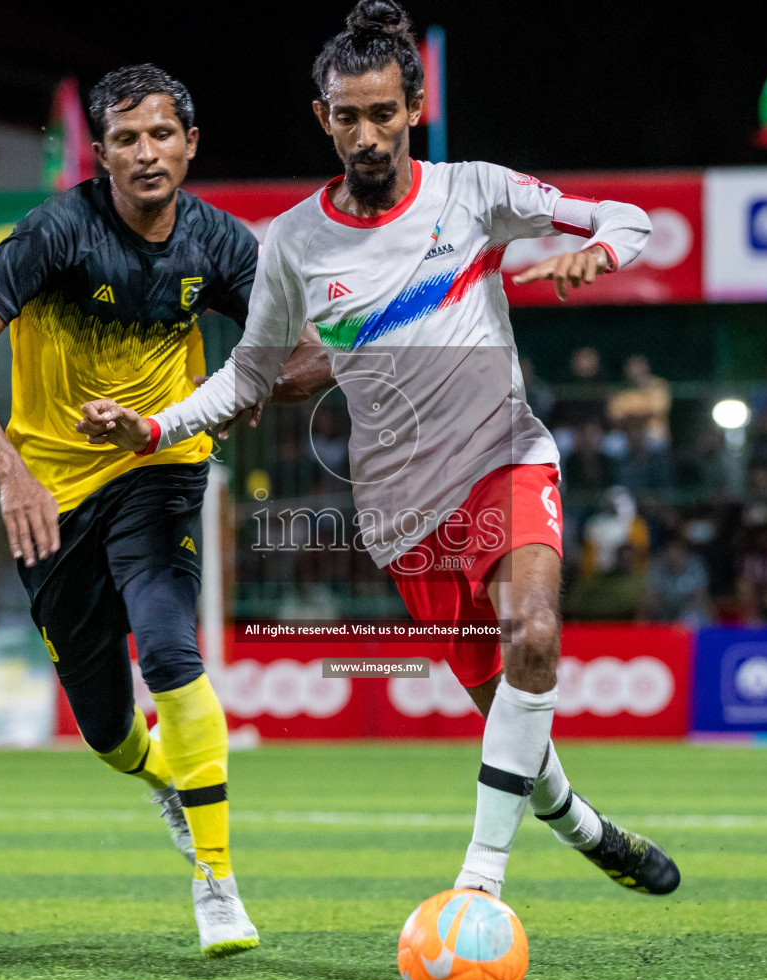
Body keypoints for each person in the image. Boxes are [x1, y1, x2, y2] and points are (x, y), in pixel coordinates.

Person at [81, 2, 678, 901]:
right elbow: (250, 373)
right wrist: (157, 425)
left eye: (384, 113)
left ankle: (478, 888)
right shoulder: (291, 242)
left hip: (504, 456)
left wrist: (595, 252)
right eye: (348, 116)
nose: (367, 134)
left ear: (414, 107)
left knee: (536, 634)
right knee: (512, 721)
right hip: (403, 515)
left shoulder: (473, 191)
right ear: (324, 117)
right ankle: (586, 828)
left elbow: (629, 220)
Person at [0, 65, 322, 956]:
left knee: (172, 644)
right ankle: (164, 782)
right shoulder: (56, 232)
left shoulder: (221, 245)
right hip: (52, 498)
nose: (147, 152)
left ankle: (217, 883)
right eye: (127, 139)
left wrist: (255, 385)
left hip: (161, 465)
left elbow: (312, 352)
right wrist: (10, 473)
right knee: (105, 732)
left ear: (190, 143)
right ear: (99, 152)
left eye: (162, 135)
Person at [607, 355, 671, 452]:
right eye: (631, 366)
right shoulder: (619, 389)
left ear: (646, 367)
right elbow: (615, 417)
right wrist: (635, 420)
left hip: (652, 430)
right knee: (613, 444)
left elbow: (657, 411)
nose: (635, 370)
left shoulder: (658, 385)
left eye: (638, 366)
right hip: (625, 431)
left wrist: (634, 417)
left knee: (656, 439)